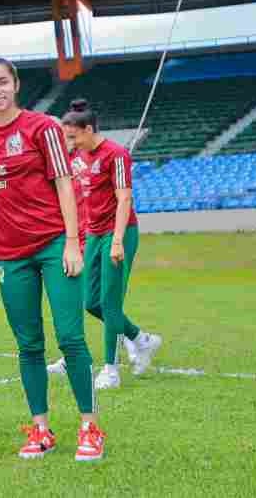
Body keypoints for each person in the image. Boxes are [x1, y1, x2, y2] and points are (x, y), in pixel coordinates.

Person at [0, 58, 106, 462]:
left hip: (52, 245)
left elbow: (65, 183)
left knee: (70, 336)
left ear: (15, 85)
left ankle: (90, 426)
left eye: (2, 82)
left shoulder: (42, 127)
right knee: (28, 344)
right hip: (9, 253)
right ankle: (42, 429)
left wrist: (71, 242)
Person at [48, 99, 162, 390]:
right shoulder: (76, 159)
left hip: (119, 232)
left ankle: (110, 370)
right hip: (92, 234)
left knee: (110, 302)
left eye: (72, 137)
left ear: (88, 130)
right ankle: (141, 339)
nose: (68, 142)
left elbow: (124, 198)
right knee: (91, 302)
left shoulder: (117, 154)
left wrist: (118, 241)